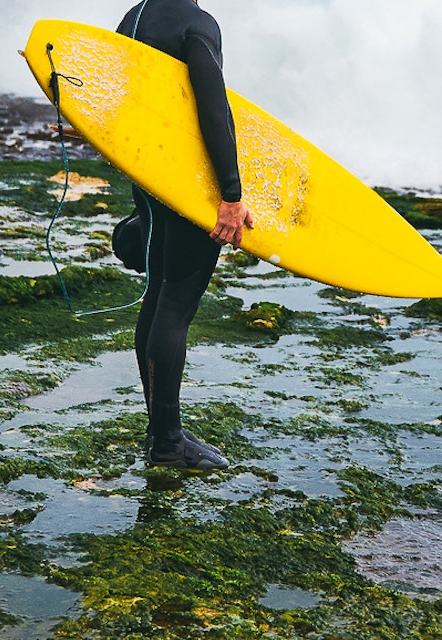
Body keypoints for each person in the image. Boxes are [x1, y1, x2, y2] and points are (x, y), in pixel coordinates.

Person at [118, 0, 253, 470]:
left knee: (157, 297)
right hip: (190, 185)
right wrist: (231, 195)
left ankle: (161, 430)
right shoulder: (196, 25)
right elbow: (215, 111)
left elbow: (117, 109)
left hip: (149, 177)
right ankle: (168, 444)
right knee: (176, 303)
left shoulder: (133, 18)